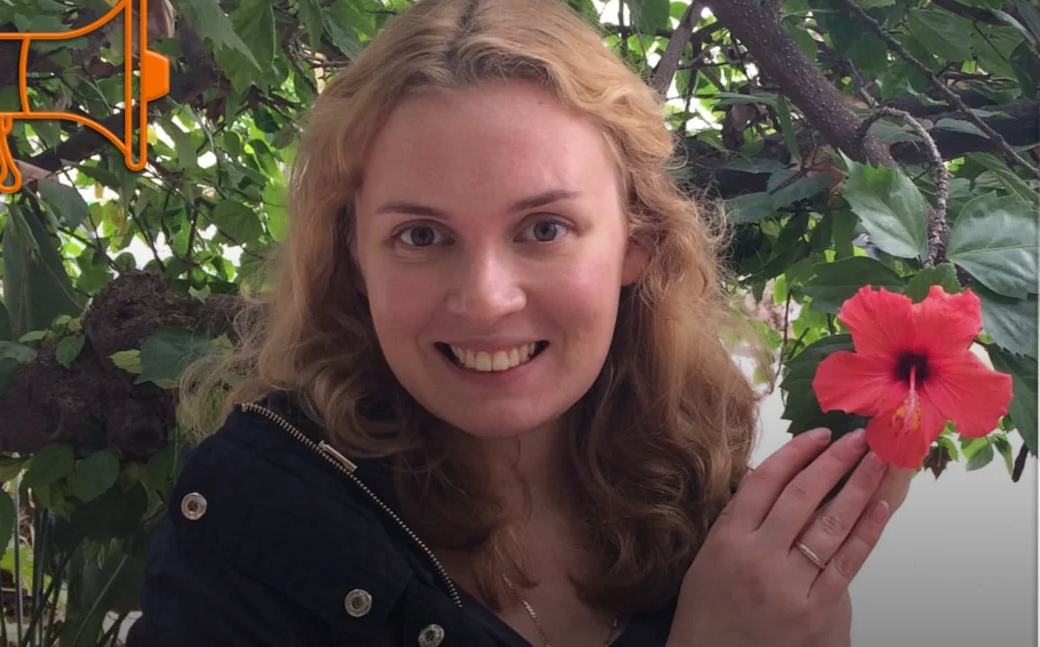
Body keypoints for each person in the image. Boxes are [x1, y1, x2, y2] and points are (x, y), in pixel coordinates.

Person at [125, 0, 914, 645]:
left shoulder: (707, 502)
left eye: (543, 228)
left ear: (635, 243)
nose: (485, 299)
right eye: (421, 236)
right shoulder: (249, 526)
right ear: (354, 257)